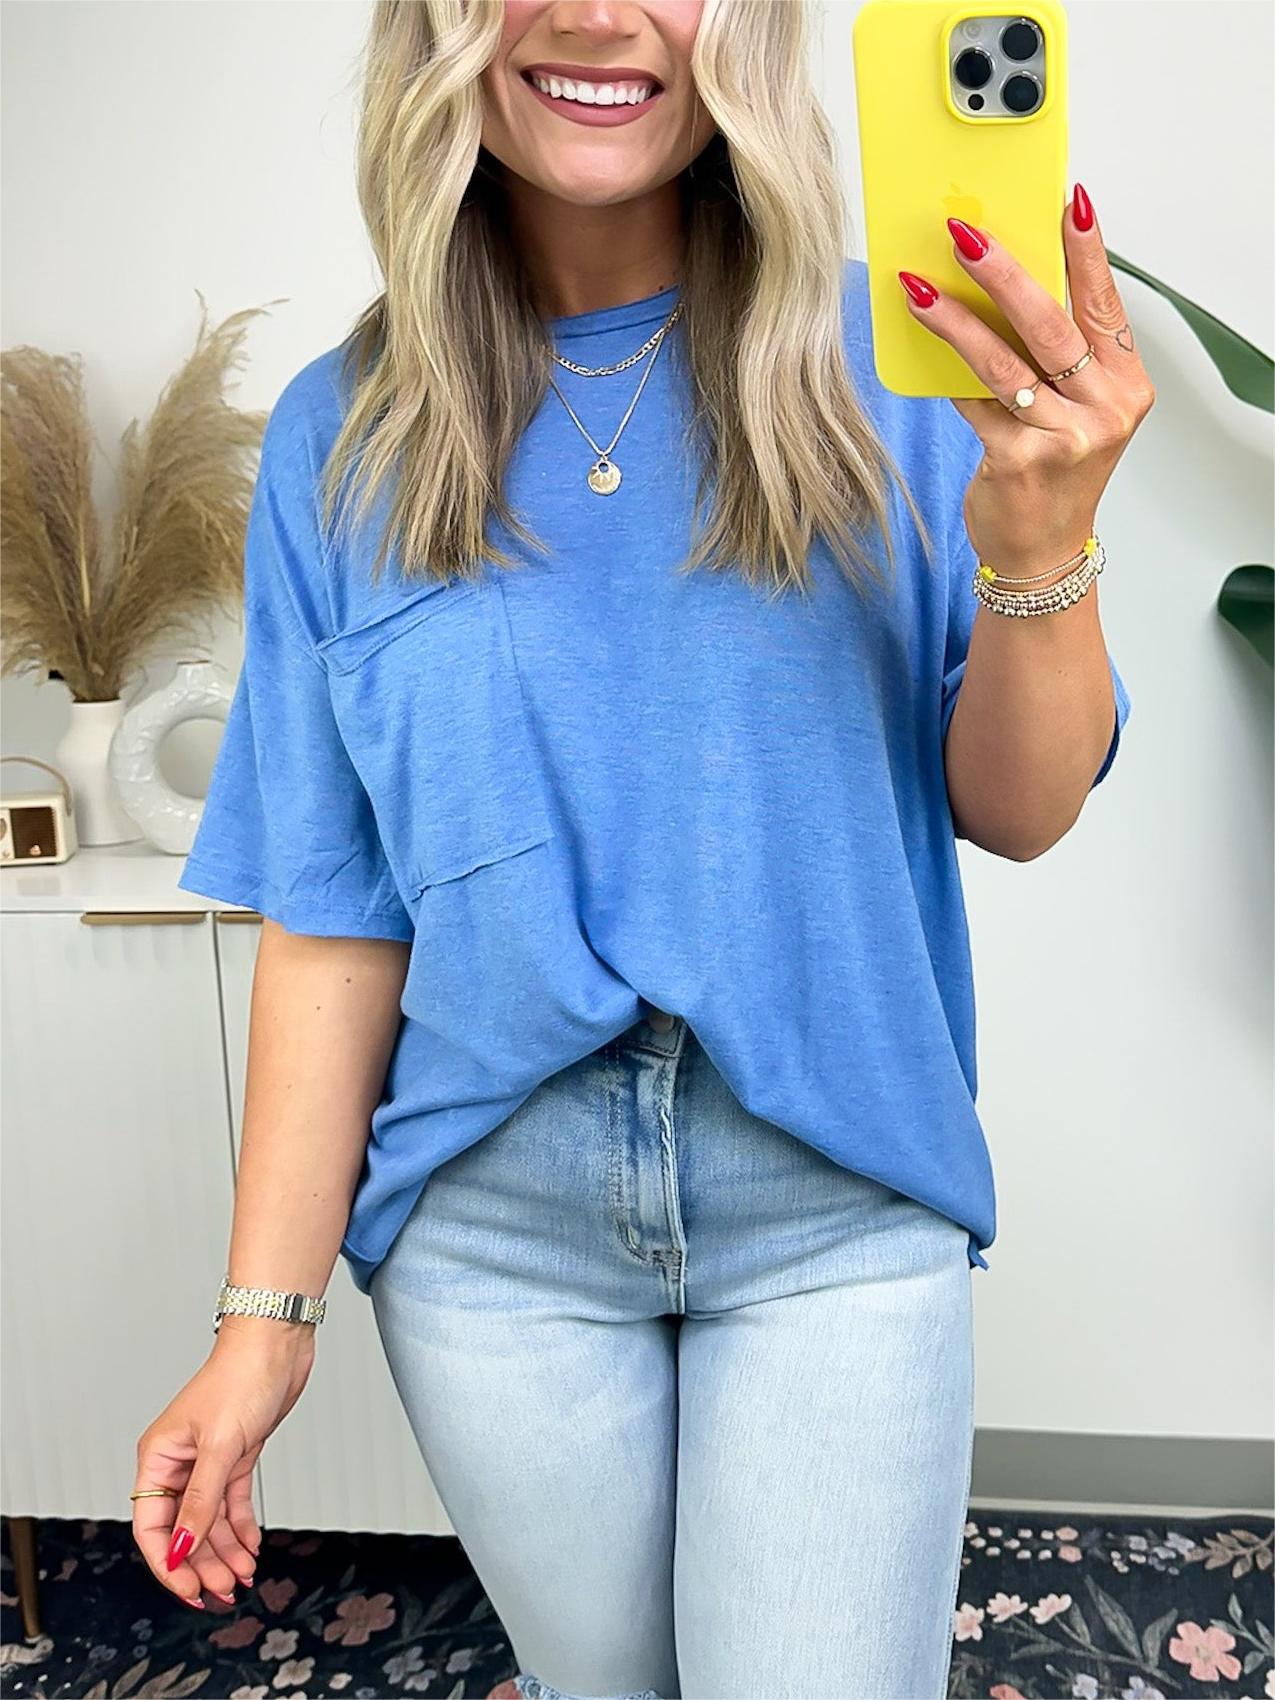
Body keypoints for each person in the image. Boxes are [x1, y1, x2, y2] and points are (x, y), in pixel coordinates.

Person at [131, 2, 1154, 1696]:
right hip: (492, 1237)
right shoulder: (342, 433)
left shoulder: (908, 358)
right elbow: (337, 916)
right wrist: (262, 1328)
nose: (600, 15)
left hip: (832, 1193)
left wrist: (1045, 546)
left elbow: (1021, 810)